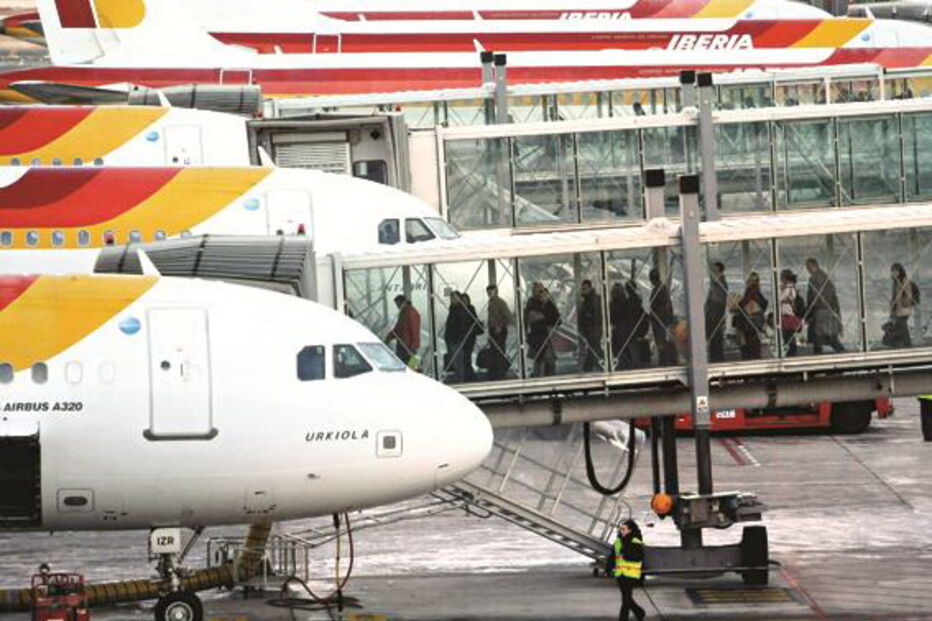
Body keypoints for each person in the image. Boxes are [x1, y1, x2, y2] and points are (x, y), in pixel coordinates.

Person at [805, 258, 845, 354]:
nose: (807, 270)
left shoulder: (814, 278)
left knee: (819, 337)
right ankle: (840, 350)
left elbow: (812, 297)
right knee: (828, 336)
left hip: (820, 312)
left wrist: (808, 311)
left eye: (808, 267)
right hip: (829, 310)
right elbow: (834, 296)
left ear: (812, 266)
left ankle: (819, 355)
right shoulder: (826, 277)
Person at [524, 281, 561, 377]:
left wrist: (545, 310)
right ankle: (540, 376)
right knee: (540, 359)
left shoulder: (548, 303)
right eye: (535, 291)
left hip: (546, 334)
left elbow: (557, 319)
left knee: (548, 359)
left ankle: (548, 376)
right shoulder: (531, 302)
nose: (538, 293)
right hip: (537, 335)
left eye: (540, 291)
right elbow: (529, 317)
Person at [613, 519, 646, 621]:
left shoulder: (636, 542)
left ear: (630, 530)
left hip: (631, 574)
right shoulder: (618, 541)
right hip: (620, 574)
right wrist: (608, 569)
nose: (621, 531)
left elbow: (638, 557)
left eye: (623, 529)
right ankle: (639, 612)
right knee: (626, 598)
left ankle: (624, 618)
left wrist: (625, 553)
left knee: (626, 598)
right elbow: (612, 556)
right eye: (620, 529)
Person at [734, 271, 768, 360]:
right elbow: (764, 303)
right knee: (755, 341)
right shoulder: (758, 292)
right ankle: (755, 357)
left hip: (749, 321)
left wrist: (737, 305)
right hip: (757, 320)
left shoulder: (750, 291)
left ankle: (750, 358)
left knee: (749, 341)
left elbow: (744, 303)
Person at [885, 263, 919, 349]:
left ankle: (905, 343)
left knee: (901, 325)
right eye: (892, 271)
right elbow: (894, 296)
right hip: (898, 308)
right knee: (901, 326)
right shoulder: (896, 282)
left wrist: (905, 303)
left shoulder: (904, 281)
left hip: (903, 308)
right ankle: (905, 343)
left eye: (895, 271)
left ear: (900, 271)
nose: (894, 273)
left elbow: (908, 294)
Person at [649, 269, 677, 366]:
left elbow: (665, 306)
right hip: (659, 319)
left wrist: (658, 317)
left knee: (662, 341)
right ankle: (664, 359)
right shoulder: (660, 288)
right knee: (660, 341)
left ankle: (665, 360)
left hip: (660, 320)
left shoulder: (660, 289)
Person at [443, 291, 472, 382]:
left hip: (456, 339)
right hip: (451, 339)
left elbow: (462, 326)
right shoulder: (453, 310)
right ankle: (459, 377)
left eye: (454, 298)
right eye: (451, 298)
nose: (452, 300)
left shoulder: (460, 310)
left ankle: (460, 379)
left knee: (458, 361)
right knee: (455, 360)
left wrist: (460, 338)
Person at [385, 295, 421, 367]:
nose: (397, 306)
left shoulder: (410, 313)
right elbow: (398, 329)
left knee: (410, 367)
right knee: (407, 366)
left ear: (403, 302)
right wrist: (389, 337)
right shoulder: (404, 312)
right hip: (403, 344)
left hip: (407, 346)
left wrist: (413, 346)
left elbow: (414, 330)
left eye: (398, 304)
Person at [486, 285, 512, 380]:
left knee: (500, 352)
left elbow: (508, 317)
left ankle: (501, 373)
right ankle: (495, 372)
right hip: (492, 330)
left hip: (499, 331)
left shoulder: (500, 302)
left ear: (496, 292)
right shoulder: (491, 303)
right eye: (488, 293)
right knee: (494, 352)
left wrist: (500, 325)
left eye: (491, 292)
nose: (489, 294)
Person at [577, 279, 603, 372]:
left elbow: (596, 315)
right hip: (591, 329)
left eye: (584, 289)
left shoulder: (593, 300)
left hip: (593, 329)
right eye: (582, 289)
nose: (582, 291)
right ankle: (598, 364)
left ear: (590, 288)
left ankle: (589, 367)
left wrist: (588, 318)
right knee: (594, 348)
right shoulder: (588, 299)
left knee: (593, 348)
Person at [705, 262, 728, 362]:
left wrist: (709, 310)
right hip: (712, 315)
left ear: (720, 272)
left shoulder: (721, 285)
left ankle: (717, 358)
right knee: (713, 338)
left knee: (716, 338)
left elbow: (717, 301)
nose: (713, 274)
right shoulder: (715, 284)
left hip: (715, 316)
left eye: (715, 271)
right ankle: (714, 357)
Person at [779, 269, 803, 357]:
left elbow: (779, 299)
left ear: (785, 278)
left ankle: (791, 353)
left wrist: (781, 290)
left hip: (787, 315)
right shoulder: (791, 288)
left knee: (788, 336)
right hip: (788, 314)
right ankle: (791, 352)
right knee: (789, 335)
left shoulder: (788, 288)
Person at [461, 292, 483, 381]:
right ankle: (469, 374)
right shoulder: (461, 310)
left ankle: (469, 375)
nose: (464, 302)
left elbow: (474, 320)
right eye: (463, 301)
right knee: (465, 357)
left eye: (466, 300)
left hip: (469, 337)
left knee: (467, 356)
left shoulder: (470, 309)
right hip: (463, 336)